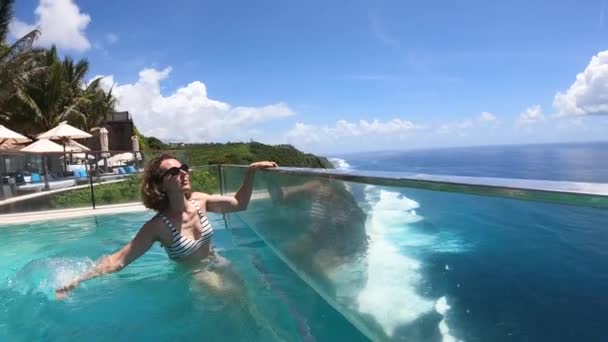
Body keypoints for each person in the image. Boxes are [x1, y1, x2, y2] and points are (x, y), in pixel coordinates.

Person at [55, 154, 278, 299]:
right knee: (231, 300)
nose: (183, 173)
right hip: (197, 274)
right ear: (160, 184)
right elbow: (119, 259)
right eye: (173, 172)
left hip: (218, 261)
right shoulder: (158, 227)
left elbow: (240, 204)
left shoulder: (200, 201)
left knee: (250, 299)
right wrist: (76, 280)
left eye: (183, 167)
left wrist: (251, 172)